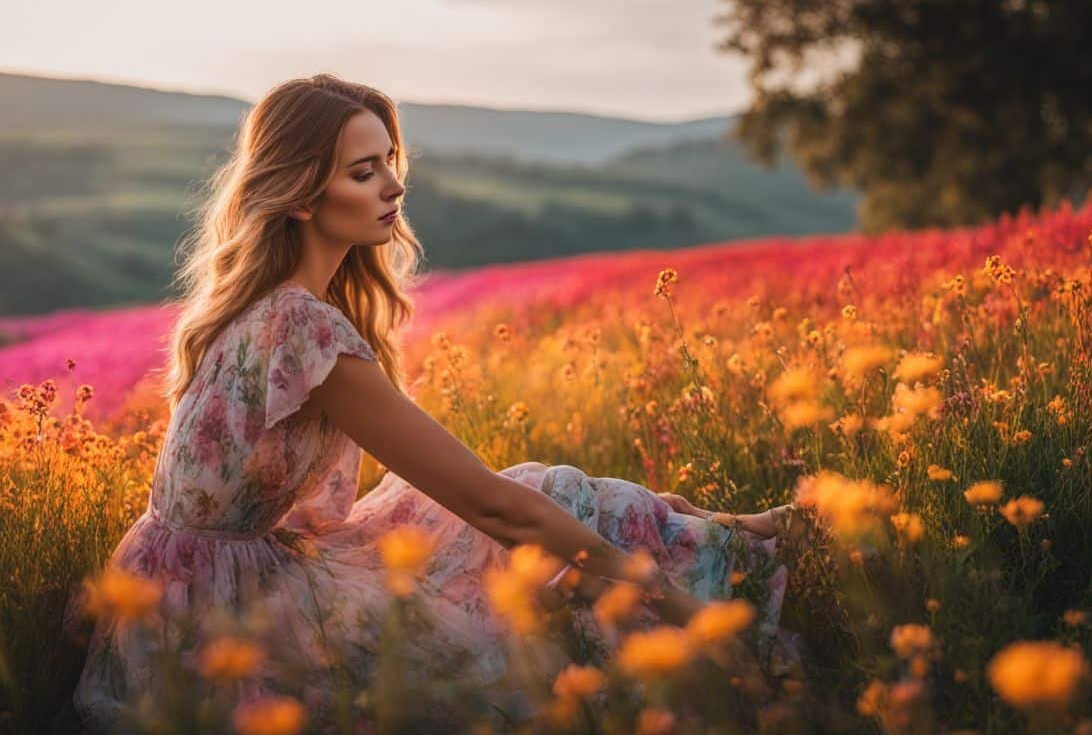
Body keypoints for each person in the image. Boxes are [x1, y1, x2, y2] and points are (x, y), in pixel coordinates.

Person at [68, 73, 794, 730]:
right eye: (363, 171)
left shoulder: (254, 304)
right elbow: (493, 510)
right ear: (296, 195)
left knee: (540, 495)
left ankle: (730, 530)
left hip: (179, 590)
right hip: (235, 618)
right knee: (529, 530)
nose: (392, 184)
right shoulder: (299, 326)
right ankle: (737, 583)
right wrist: (680, 614)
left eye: (390, 162)